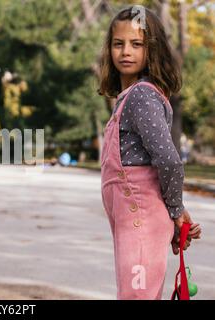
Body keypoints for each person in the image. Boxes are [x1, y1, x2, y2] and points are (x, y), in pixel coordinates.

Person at [98, 6, 201, 300]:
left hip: (139, 216)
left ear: (151, 49)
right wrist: (174, 212)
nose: (125, 51)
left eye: (136, 44)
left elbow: (168, 160)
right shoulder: (128, 98)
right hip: (137, 218)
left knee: (137, 295)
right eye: (118, 44)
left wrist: (176, 209)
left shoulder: (142, 95)